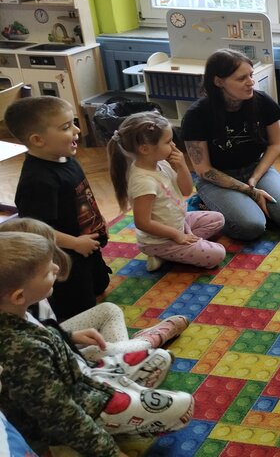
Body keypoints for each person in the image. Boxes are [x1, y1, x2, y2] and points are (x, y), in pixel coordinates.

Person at [0, 231, 194, 457]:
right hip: (77, 406)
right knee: (184, 407)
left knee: (160, 358)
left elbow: (44, 334)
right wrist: (110, 452)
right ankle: (75, 443)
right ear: (18, 296)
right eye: (47, 272)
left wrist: (69, 336)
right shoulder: (22, 349)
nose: (56, 268)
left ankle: (115, 412)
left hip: (84, 379)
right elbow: (60, 414)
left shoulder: (15, 312)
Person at [0, 217, 189, 358]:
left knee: (109, 311)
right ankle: (147, 342)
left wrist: (70, 336)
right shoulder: (15, 330)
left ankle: (127, 354)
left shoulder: (24, 295)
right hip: (57, 364)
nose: (56, 267)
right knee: (99, 352)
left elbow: (46, 329)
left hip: (54, 340)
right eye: (45, 268)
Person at [5, 96, 110, 321]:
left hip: (86, 247)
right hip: (65, 257)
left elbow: (81, 198)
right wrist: (75, 243)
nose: (77, 130)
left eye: (73, 123)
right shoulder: (37, 181)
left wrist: (97, 222)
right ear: (38, 140)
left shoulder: (65, 158)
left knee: (101, 284)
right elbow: (37, 231)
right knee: (80, 311)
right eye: (66, 127)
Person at [181, 49, 280, 240]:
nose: (251, 82)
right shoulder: (196, 115)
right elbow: (204, 170)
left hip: (256, 169)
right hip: (217, 179)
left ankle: (246, 206)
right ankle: (205, 205)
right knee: (251, 228)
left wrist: (254, 178)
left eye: (251, 75)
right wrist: (249, 191)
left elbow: (275, 144)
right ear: (219, 82)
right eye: (241, 78)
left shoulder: (262, 101)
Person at [109, 111, 226, 271]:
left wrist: (182, 166)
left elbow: (186, 190)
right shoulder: (143, 182)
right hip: (159, 240)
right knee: (218, 254)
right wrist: (177, 235)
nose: (173, 146)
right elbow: (142, 222)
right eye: (168, 142)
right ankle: (162, 252)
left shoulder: (161, 163)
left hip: (179, 222)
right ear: (145, 149)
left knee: (218, 219)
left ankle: (175, 250)